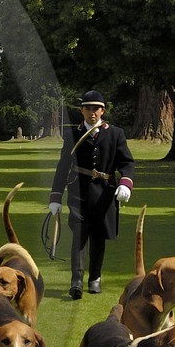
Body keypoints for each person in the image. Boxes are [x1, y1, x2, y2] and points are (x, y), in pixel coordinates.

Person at [49, 89, 134, 299]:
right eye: (88, 108)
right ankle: (76, 281)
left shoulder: (116, 133)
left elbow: (127, 162)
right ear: (81, 111)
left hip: (105, 193)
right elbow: (63, 167)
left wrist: (125, 183)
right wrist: (56, 197)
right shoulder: (72, 135)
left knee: (98, 236)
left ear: (103, 110)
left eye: (96, 108)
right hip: (79, 191)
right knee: (79, 234)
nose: (92, 112)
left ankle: (95, 278)